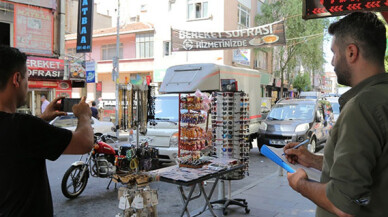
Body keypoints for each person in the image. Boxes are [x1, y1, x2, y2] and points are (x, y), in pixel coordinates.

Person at [283, 12, 388, 217]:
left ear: (351, 53)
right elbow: (364, 170)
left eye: (333, 52)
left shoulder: (362, 106)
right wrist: (313, 160)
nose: (332, 61)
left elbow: (342, 203)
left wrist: (300, 184)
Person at [0, 46, 94, 216]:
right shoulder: (24, 126)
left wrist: (42, 120)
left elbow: (15, 141)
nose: (27, 85)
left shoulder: (24, 128)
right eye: (27, 78)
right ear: (16, 79)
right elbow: (85, 143)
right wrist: (84, 115)